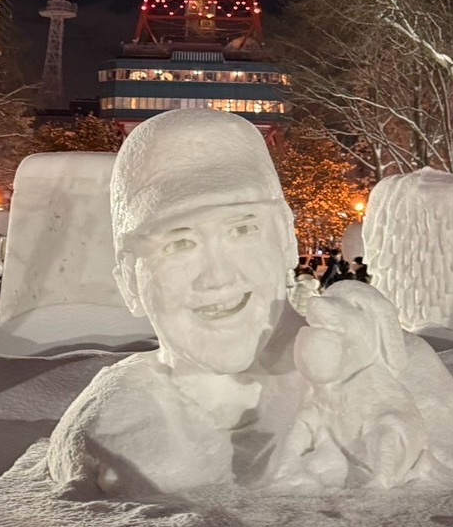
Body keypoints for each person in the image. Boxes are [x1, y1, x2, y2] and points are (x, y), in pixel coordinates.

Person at [47, 109, 306, 495]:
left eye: (242, 229)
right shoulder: (121, 426)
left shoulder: (383, 384)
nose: (218, 276)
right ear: (130, 282)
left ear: (288, 241)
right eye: (179, 244)